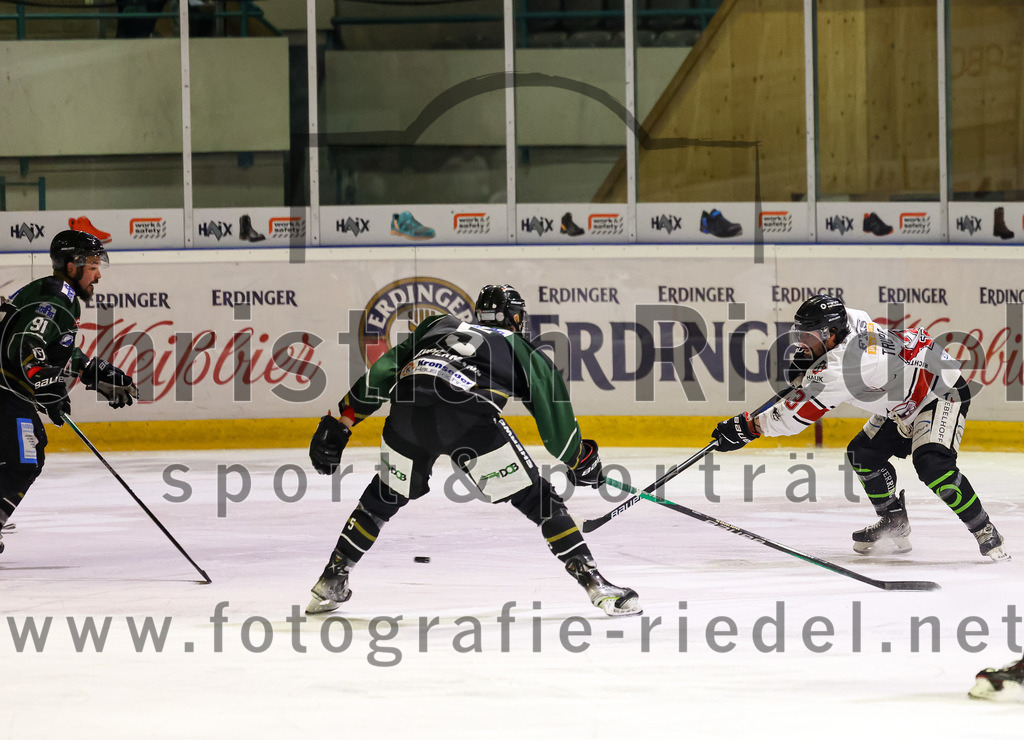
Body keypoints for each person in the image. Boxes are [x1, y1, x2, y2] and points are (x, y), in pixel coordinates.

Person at [305, 284, 640, 617]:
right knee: (540, 500)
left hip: (408, 413)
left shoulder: (436, 325)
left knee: (383, 496)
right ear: (513, 317)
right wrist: (579, 460)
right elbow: (557, 425)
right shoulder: (519, 346)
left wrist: (342, 420)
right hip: (467, 418)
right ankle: (596, 585)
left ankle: (332, 578)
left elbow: (383, 371)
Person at [711, 293, 1008, 562]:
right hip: (903, 395)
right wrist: (812, 361)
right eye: (801, 335)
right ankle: (894, 521)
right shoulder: (851, 320)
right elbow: (823, 364)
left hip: (938, 390)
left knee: (933, 465)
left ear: (831, 333)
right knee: (862, 454)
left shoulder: (845, 368)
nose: (803, 342)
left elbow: (792, 418)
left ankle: (984, 529)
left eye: (809, 337)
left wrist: (747, 428)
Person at [0, 230, 139, 555]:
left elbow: (49, 346)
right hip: (5, 389)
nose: (98, 274)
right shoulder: (56, 297)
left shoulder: (55, 295)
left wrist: (90, 370)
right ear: (72, 265)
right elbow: (26, 344)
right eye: (92, 264)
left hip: (7, 388)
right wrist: (45, 379)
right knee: (25, 458)